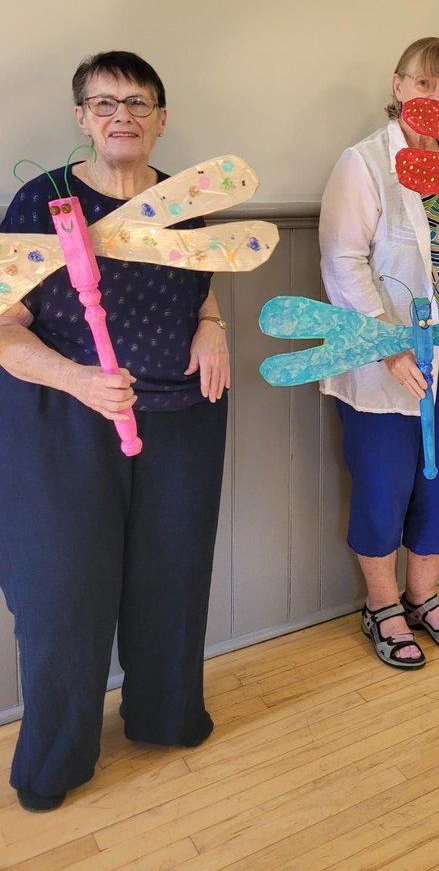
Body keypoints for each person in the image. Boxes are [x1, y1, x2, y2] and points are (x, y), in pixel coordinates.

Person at [0, 52, 230, 811]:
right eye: (103, 103)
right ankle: (57, 760)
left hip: (182, 413)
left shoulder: (186, 201)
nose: (120, 114)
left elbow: (199, 290)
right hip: (68, 421)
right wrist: (77, 381)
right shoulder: (44, 201)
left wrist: (211, 324)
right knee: (63, 591)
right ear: (80, 120)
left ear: (162, 117)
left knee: (172, 577)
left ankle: (164, 718)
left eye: (136, 101)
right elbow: (3, 329)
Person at [319, 37, 439, 669]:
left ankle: (423, 595)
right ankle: (382, 607)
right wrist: (386, 347)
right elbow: (343, 261)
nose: (436, 97)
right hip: (384, 365)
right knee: (383, 491)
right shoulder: (364, 163)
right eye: (424, 84)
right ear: (398, 85)